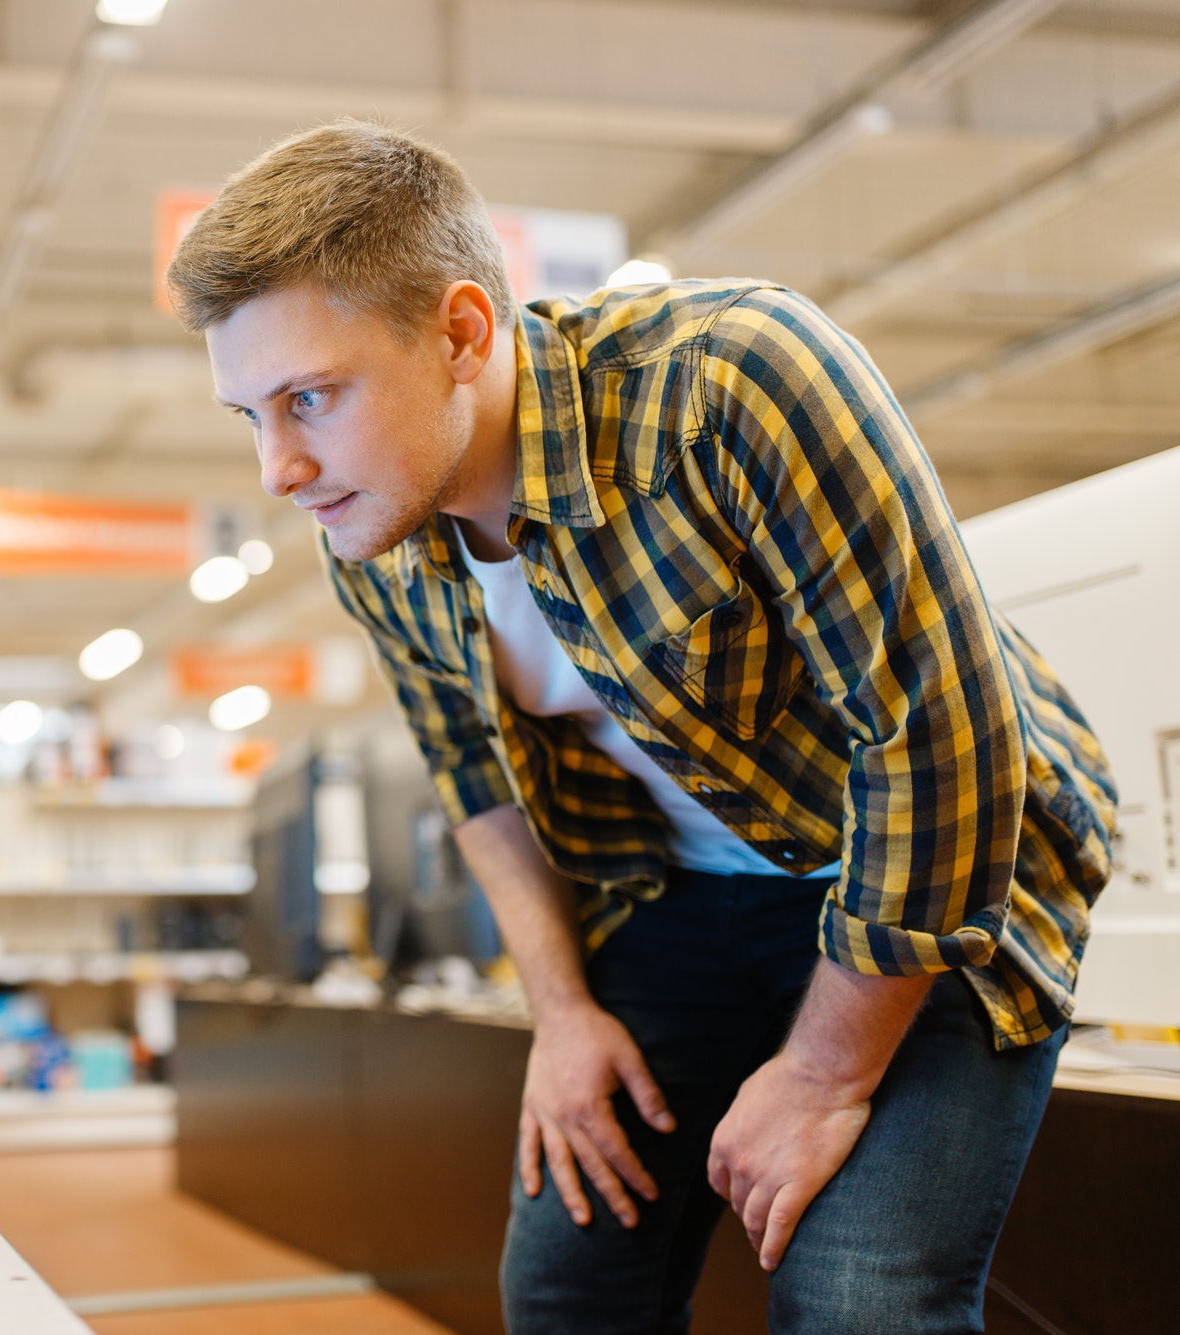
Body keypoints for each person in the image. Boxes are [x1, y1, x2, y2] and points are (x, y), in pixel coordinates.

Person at [166, 120, 1116, 1334]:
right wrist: (559, 1017)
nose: (279, 470)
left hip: (925, 867)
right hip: (677, 901)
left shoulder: (730, 381)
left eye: (309, 396)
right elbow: (477, 785)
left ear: (460, 333)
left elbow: (939, 739)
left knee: (854, 1301)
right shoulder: (376, 533)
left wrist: (822, 1075)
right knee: (566, 1286)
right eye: (248, 415)